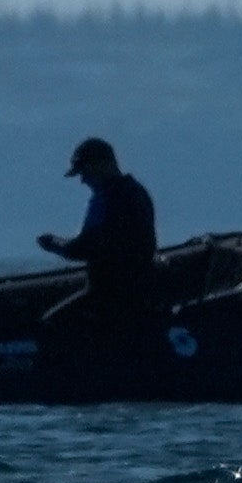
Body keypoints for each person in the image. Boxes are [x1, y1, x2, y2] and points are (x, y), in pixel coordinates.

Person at [36, 137, 164, 363]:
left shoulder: (106, 198)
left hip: (109, 293)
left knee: (52, 325)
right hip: (143, 291)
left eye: (85, 171)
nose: (83, 180)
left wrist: (53, 244)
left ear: (104, 164)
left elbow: (85, 247)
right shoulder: (138, 192)